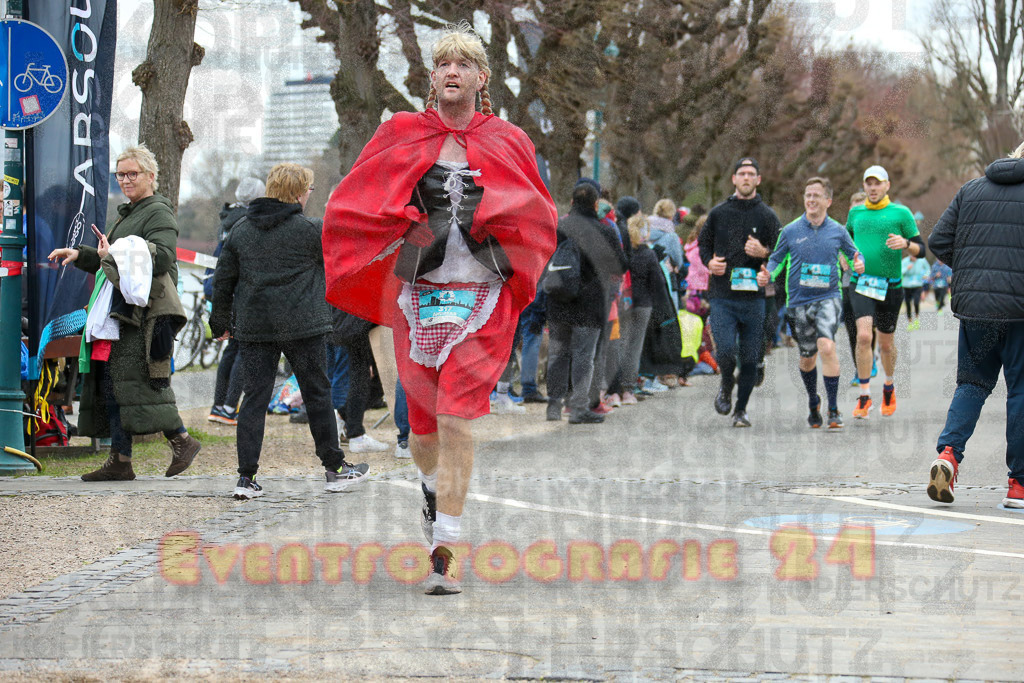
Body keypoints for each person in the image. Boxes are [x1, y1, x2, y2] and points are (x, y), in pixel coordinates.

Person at [321, 23, 557, 595]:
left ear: (481, 77)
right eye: (442, 64)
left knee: (456, 416)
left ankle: (445, 549)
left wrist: (495, 216)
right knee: (422, 429)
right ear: (433, 78)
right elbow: (352, 202)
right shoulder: (401, 132)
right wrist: (402, 215)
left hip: (483, 294)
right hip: (417, 295)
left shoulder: (507, 139)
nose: (451, 71)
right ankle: (432, 489)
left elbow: (539, 215)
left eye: (462, 63)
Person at [210, 163, 369, 499]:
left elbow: (224, 280)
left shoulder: (240, 231)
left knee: (253, 399)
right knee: (317, 395)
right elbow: (344, 263)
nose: (310, 195)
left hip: (256, 326)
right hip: (303, 325)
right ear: (299, 193)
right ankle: (335, 468)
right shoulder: (312, 230)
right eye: (309, 190)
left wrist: (220, 323)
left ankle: (246, 478)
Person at [47, 145, 201, 481]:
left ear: (151, 176)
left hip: (143, 315)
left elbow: (161, 258)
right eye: (121, 174)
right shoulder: (130, 212)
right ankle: (120, 459)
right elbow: (113, 261)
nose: (126, 180)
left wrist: (115, 251)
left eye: (132, 174)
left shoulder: (158, 211)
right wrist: (81, 254)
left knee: (139, 384)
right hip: (123, 312)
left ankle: (182, 441)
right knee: (113, 384)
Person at [926, 142, 1024, 509]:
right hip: (1020, 310)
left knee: (972, 384)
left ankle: (949, 454)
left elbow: (938, 241)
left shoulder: (971, 189)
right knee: (1021, 393)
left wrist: (970, 269)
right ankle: (1018, 485)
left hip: (976, 308)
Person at [757, 177, 863, 429]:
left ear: (828, 200)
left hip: (828, 297)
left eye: (816, 195)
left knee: (827, 347)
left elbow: (854, 254)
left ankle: (834, 409)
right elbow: (776, 258)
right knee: (807, 357)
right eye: (807, 195)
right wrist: (767, 274)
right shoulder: (791, 231)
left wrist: (859, 263)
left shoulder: (838, 231)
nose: (811, 200)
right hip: (798, 301)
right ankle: (813, 400)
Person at [698, 157, 781, 428]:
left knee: (749, 357)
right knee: (725, 349)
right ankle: (725, 383)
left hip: (754, 297)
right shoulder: (719, 213)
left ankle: (741, 410)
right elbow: (703, 244)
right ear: (734, 179)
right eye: (741, 174)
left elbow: (781, 253)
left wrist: (765, 255)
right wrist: (709, 262)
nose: (746, 178)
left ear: (758, 180)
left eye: (751, 174)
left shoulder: (767, 216)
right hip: (723, 294)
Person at [846, 165, 925, 419]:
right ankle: (865, 395)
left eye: (877, 183)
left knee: (887, 344)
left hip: (891, 286)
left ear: (887, 186)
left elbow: (922, 249)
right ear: (864, 186)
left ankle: (888, 386)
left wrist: (906, 244)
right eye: (868, 183)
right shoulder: (855, 214)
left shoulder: (901, 213)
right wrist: (848, 261)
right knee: (864, 337)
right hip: (861, 284)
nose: (872, 188)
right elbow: (844, 245)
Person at [546, 181, 626, 424]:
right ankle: (579, 407)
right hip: (590, 305)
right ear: (595, 204)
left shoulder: (559, 227)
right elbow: (620, 266)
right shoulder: (604, 231)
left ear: (571, 203)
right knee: (584, 356)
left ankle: (553, 406)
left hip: (558, 301)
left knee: (557, 354)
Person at [207, 177, 265, 426]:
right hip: (241, 294)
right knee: (242, 348)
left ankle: (218, 405)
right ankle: (230, 406)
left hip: (222, 290)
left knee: (231, 349)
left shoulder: (227, 220)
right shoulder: (249, 221)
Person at [620, 213, 660, 404]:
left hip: (623, 303)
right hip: (643, 304)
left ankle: (613, 388)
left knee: (620, 344)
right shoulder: (648, 254)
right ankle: (628, 388)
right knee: (634, 348)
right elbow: (657, 283)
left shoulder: (624, 252)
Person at [901, 253, 930, 329]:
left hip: (918, 285)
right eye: (913, 256)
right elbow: (900, 272)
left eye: (915, 256)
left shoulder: (922, 260)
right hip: (907, 286)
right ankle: (910, 321)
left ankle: (916, 318)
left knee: (916, 302)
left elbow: (928, 268)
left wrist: (926, 275)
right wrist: (907, 268)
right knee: (907, 303)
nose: (914, 258)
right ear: (909, 255)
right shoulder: (904, 261)